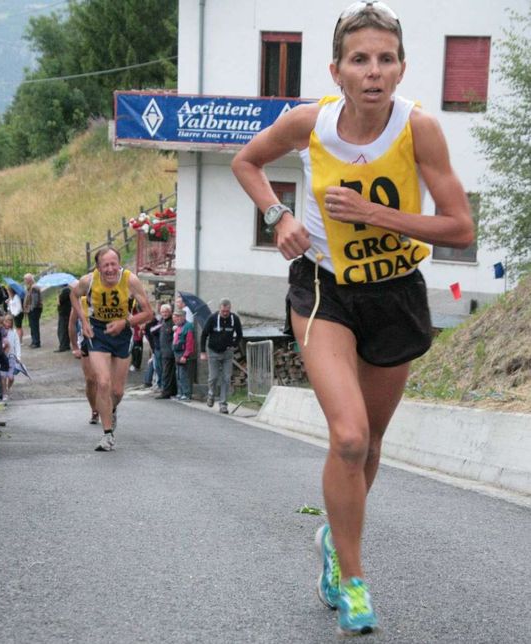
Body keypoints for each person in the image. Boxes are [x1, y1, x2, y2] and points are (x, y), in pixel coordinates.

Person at [231, 2, 474, 636]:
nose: (374, 72)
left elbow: (459, 226)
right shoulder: (311, 123)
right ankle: (352, 579)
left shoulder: (419, 130)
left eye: (386, 59)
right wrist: (277, 218)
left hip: (395, 292)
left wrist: (376, 215)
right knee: (348, 437)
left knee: (371, 445)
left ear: (401, 68)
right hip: (323, 289)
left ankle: (334, 543)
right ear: (336, 70)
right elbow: (247, 163)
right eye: (360, 60)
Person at [69, 247, 152, 451]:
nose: (110, 269)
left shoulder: (130, 280)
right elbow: (73, 295)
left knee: (117, 390)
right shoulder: (88, 281)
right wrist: (84, 321)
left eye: (114, 263)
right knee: (103, 383)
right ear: (98, 267)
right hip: (98, 332)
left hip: (123, 334)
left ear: (119, 264)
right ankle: (107, 435)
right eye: (105, 265)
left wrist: (125, 322)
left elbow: (148, 313)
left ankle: (111, 409)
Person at [200, 297, 243, 414]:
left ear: (230, 309)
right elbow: (204, 335)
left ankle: (223, 404)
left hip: (227, 352)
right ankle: (211, 394)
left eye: (227, 311)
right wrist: (203, 352)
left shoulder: (235, 319)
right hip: (213, 351)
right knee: (213, 377)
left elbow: (239, 335)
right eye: (223, 311)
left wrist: (234, 344)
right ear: (219, 309)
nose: (225, 313)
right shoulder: (212, 318)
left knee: (226, 378)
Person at [68, 301, 99, 426]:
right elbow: (71, 323)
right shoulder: (82, 299)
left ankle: (109, 408)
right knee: (91, 380)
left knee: (105, 379)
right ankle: (95, 409)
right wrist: (75, 347)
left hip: (106, 340)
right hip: (86, 341)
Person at [172, 308, 195, 401]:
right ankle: (180, 392)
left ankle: (186, 394)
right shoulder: (178, 327)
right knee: (178, 374)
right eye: (175, 317)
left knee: (183, 374)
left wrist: (185, 355)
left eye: (177, 317)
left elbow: (189, 343)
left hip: (182, 353)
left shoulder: (188, 326)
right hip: (177, 353)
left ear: (183, 317)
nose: (175, 319)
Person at [155, 303, 177, 399]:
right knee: (167, 372)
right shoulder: (161, 321)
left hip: (169, 351)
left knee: (167, 373)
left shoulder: (173, 322)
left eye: (166, 312)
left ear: (170, 312)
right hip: (163, 351)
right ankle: (171, 391)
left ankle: (166, 392)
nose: (164, 314)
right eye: (162, 312)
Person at [0, 313, 21, 402]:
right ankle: (4, 392)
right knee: (3, 376)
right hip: (3, 357)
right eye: (6, 321)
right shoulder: (1, 331)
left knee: (11, 377)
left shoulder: (14, 332)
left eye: (10, 322)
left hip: (12, 357)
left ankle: (8, 388)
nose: (8, 324)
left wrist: (18, 356)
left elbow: (17, 344)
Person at [23, 273, 43, 348]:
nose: (24, 281)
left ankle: (36, 342)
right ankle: (34, 341)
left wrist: (30, 309)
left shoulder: (34, 287)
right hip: (32, 310)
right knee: (32, 325)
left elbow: (35, 300)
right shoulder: (30, 287)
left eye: (25, 279)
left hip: (34, 310)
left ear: (29, 279)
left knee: (34, 326)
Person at [55, 285, 72, 352]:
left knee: (62, 330)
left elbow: (59, 302)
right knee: (64, 329)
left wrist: (58, 295)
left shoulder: (65, 291)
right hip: (66, 312)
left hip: (64, 313)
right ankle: (66, 345)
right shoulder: (68, 290)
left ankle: (63, 346)